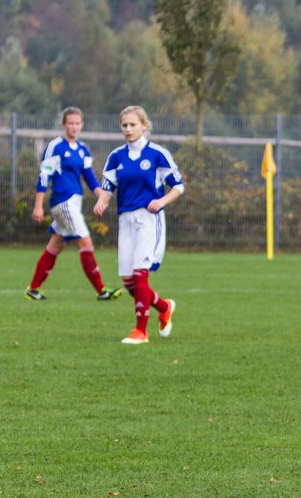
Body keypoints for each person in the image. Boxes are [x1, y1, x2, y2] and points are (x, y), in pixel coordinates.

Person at [93, 106, 184, 345]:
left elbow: (178, 186)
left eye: (133, 124)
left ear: (144, 125)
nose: (128, 129)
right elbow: (107, 188)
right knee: (129, 282)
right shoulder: (116, 157)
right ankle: (164, 307)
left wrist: (161, 201)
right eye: (124, 125)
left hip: (148, 218)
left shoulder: (157, 154)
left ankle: (140, 332)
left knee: (140, 275)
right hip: (126, 219)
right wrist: (102, 202)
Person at [25, 107, 122, 301]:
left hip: (74, 203)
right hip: (63, 201)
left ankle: (32, 289)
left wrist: (102, 196)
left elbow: (89, 177)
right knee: (85, 243)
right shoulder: (55, 146)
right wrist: (38, 205)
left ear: (82, 124)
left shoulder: (83, 149)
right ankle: (101, 290)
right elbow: (44, 176)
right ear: (64, 124)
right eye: (70, 123)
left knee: (55, 245)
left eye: (78, 123)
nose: (74, 126)